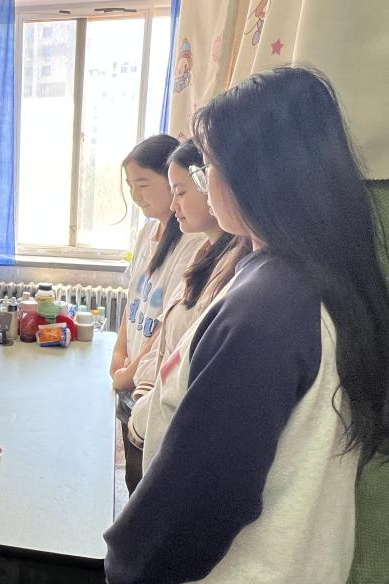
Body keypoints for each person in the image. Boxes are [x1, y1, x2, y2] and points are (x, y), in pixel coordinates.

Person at [104, 66, 389, 583]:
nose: (203, 181)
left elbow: (203, 495)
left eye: (210, 165)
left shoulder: (268, 309)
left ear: (258, 176)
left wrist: (129, 564)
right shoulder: (314, 272)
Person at [126, 139, 250, 452]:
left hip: (167, 428)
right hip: (151, 414)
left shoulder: (232, 271)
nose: (173, 205)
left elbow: (183, 360)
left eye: (180, 192)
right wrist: (142, 392)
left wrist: (142, 405)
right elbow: (166, 343)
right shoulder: (206, 253)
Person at [110, 135, 205, 494]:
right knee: (130, 475)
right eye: (130, 186)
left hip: (147, 382)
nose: (136, 195)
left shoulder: (194, 241)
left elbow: (169, 326)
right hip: (132, 373)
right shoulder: (148, 230)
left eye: (143, 184)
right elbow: (134, 298)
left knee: (144, 481)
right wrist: (119, 352)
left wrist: (131, 372)